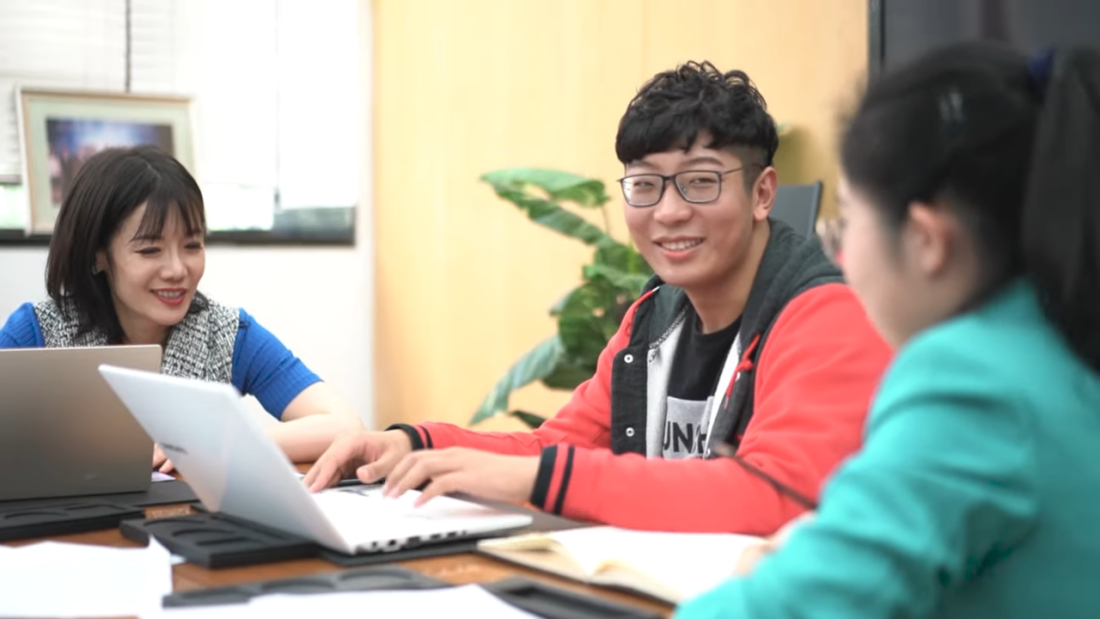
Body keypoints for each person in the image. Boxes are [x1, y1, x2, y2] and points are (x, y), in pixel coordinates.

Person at [306, 61, 891, 535]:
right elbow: (556, 444)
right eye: (644, 185)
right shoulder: (654, 319)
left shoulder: (826, 313)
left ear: (763, 193)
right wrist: (414, 440)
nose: (668, 211)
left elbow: (773, 492)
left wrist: (540, 479)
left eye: (700, 180)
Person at [675, 42, 1100, 618]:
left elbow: (796, 607)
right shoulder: (1058, 344)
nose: (842, 255)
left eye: (847, 222)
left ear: (926, 239)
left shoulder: (971, 383)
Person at [0, 146, 363, 472]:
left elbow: (344, 426)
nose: (177, 270)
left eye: (192, 245)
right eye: (150, 250)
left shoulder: (227, 334)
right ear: (98, 255)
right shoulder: (37, 331)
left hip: (188, 527)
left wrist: (216, 443)